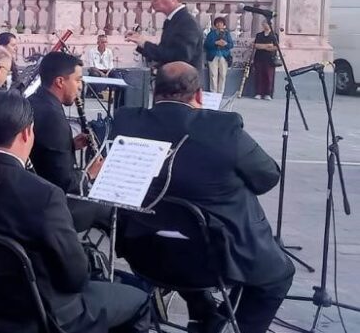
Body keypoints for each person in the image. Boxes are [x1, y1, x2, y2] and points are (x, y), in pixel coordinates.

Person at [0, 91, 150, 333]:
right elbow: (75, 278)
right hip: (34, 317)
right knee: (138, 300)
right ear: (26, 133)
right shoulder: (44, 196)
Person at [110, 62, 293, 333]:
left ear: (154, 91)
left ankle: (207, 315)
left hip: (145, 253)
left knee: (181, 229)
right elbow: (267, 177)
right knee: (279, 274)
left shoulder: (126, 121)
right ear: (199, 95)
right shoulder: (222, 128)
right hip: (216, 261)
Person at [27, 52, 107, 231]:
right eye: (77, 80)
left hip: (33, 189)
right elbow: (65, 183)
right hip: (51, 205)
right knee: (109, 209)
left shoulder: (35, 101)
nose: (80, 87)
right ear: (60, 82)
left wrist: (70, 145)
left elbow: (43, 151)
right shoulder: (53, 117)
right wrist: (89, 174)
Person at [125, 0, 203, 71]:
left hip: (181, 85)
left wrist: (145, 44)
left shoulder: (187, 23)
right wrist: (142, 42)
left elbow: (179, 60)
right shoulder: (172, 20)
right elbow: (165, 54)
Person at [205, 17, 234, 94]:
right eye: (217, 23)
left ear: (223, 24)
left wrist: (226, 44)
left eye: (221, 23)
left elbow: (231, 45)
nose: (219, 24)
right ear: (215, 25)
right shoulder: (211, 34)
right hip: (213, 56)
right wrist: (215, 43)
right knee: (213, 75)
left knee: (223, 75)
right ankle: (213, 92)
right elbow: (206, 45)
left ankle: (220, 92)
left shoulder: (227, 34)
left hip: (224, 56)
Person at [252, 21, 278, 100]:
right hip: (259, 58)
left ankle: (268, 93)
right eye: (264, 24)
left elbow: (275, 47)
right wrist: (267, 46)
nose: (265, 25)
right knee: (259, 76)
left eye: (267, 24)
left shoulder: (274, 35)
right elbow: (256, 45)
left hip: (270, 59)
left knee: (269, 76)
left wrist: (263, 46)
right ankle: (258, 93)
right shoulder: (259, 35)